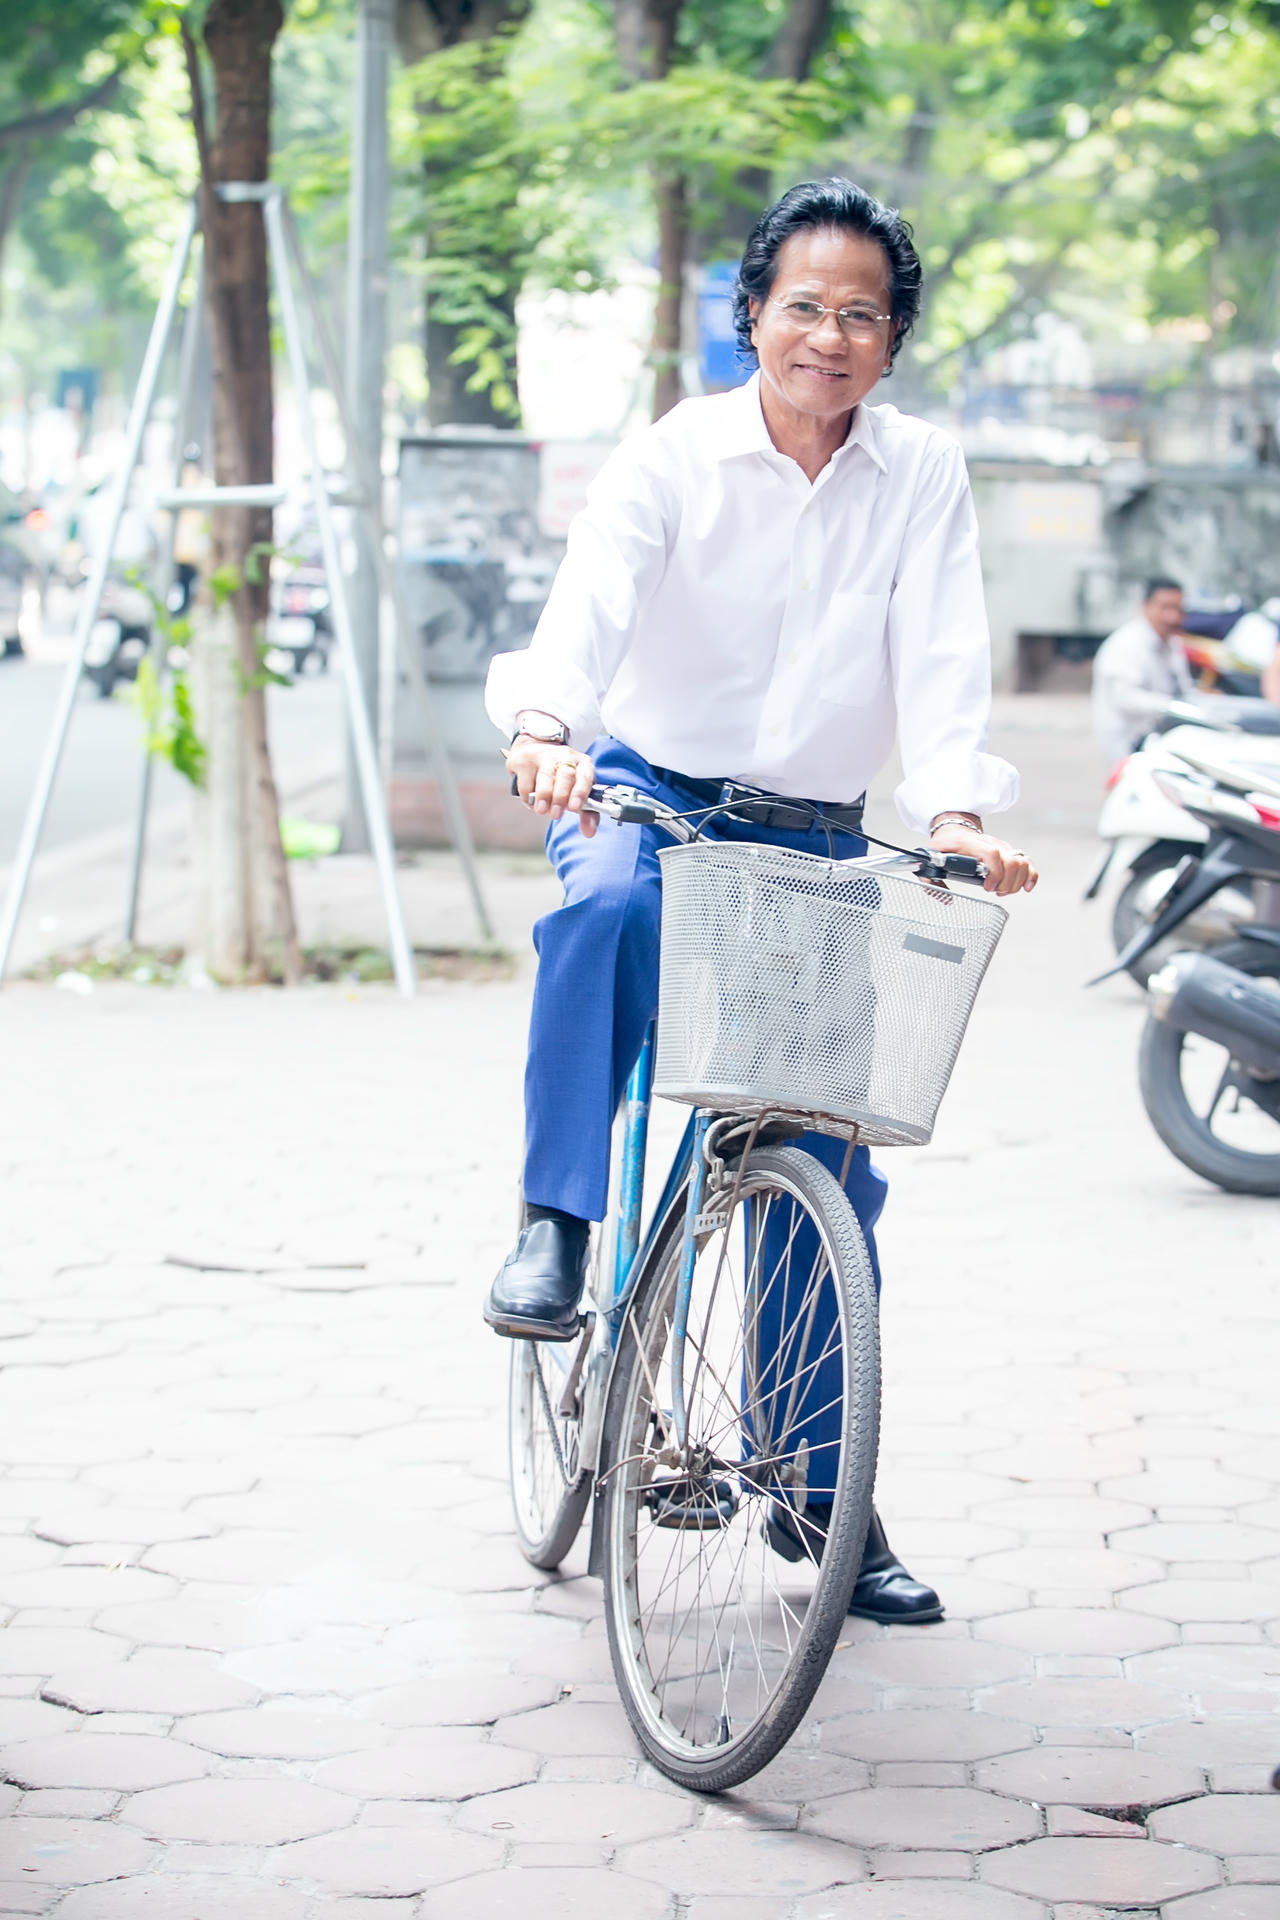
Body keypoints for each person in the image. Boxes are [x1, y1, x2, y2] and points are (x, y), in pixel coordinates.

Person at [483, 178, 1038, 1624]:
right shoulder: (676, 454)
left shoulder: (919, 473)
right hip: (650, 796)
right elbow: (589, 605)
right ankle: (556, 1222)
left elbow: (944, 653)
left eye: (862, 314)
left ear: (894, 338)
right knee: (600, 918)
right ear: (751, 315)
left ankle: (814, 1493)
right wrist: (546, 728)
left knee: (819, 1159)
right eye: (804, 306)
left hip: (810, 839)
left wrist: (957, 813)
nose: (829, 337)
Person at [1091, 577, 1194, 766]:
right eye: (1165, 607)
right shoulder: (1126, 644)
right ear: (1145, 606)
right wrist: (1173, 706)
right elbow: (1126, 699)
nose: (1172, 617)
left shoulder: (1173, 643)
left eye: (1178, 609)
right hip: (1128, 743)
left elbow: (1183, 688)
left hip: (1159, 738)